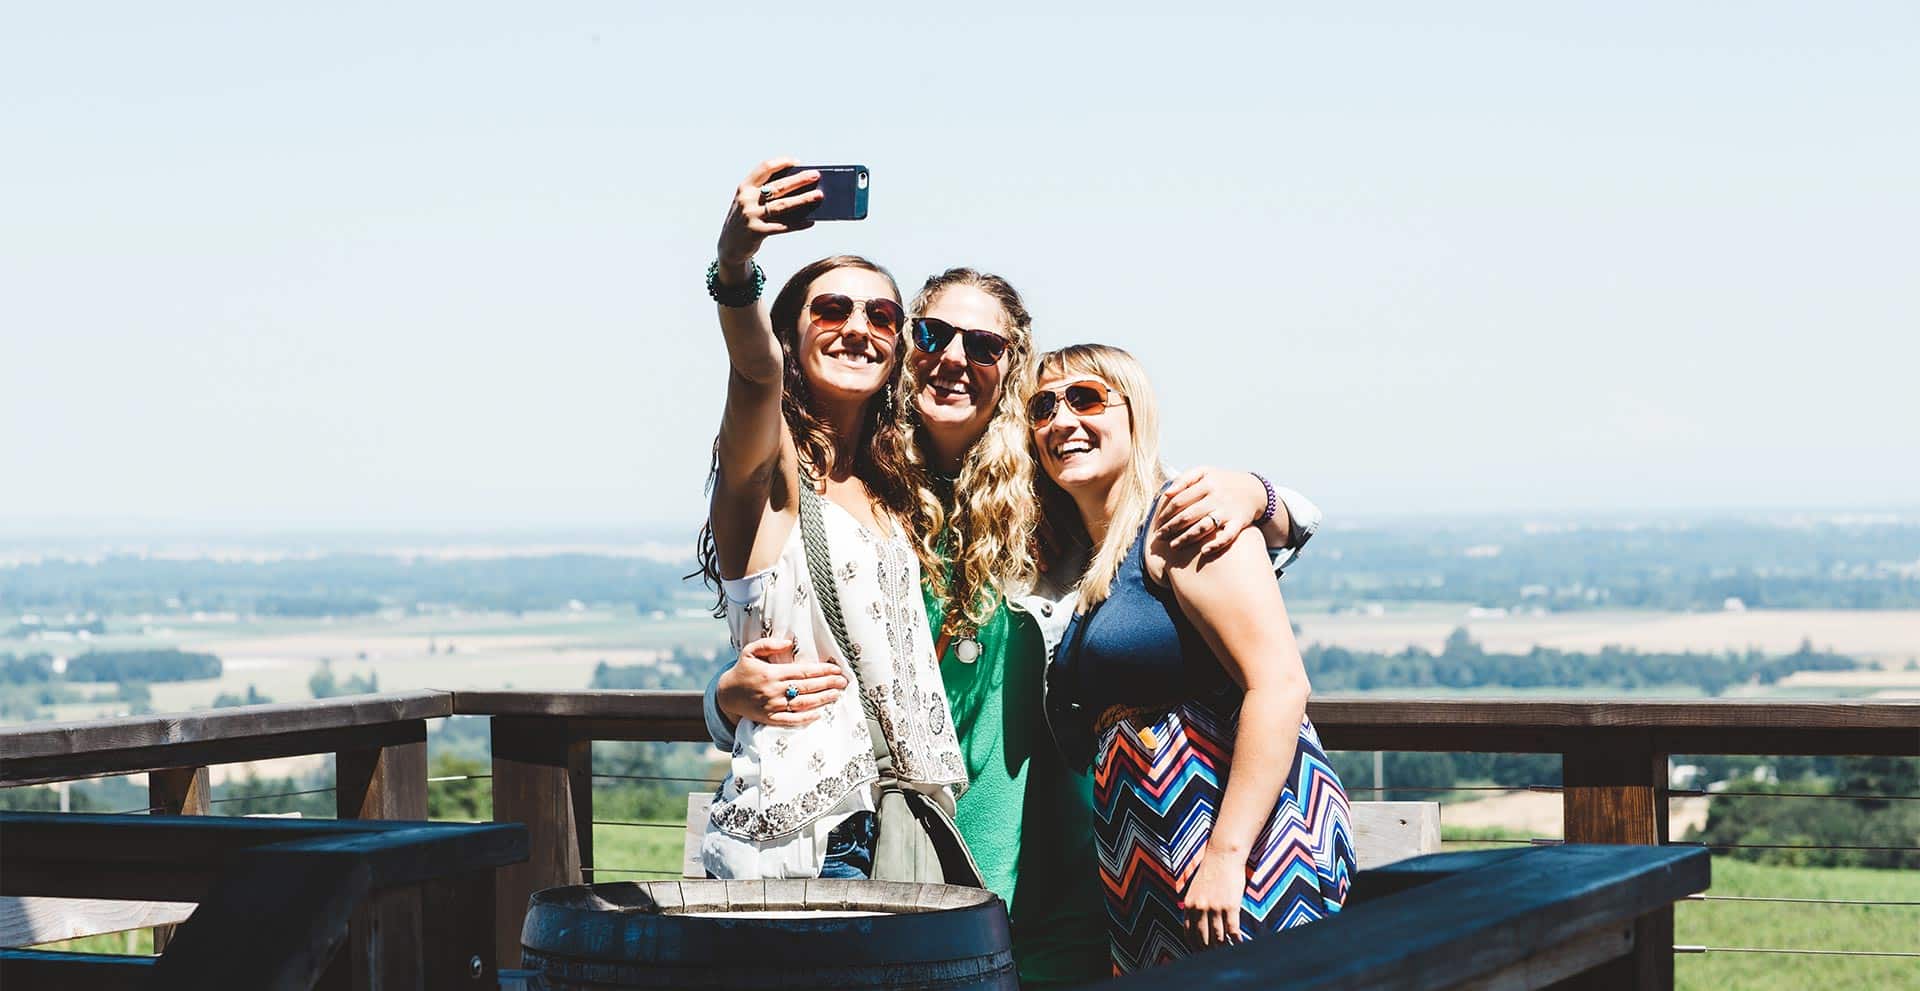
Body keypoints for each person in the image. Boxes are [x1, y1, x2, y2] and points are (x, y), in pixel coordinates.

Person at [708, 258, 1323, 984]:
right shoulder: (874, 502)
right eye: (933, 333)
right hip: (913, 867)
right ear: (908, 351)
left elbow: (1164, 541)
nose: (956, 359)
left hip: (1069, 879)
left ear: (1009, 369)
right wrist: (723, 699)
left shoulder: (1047, 502)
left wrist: (1264, 494)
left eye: (986, 347)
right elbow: (797, 634)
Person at [1031, 343, 1355, 975]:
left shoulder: (1184, 519)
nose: (1061, 420)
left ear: (1136, 413)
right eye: (1042, 407)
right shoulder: (1092, 556)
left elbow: (1281, 685)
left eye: (1087, 398)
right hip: (1148, 848)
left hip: (1231, 845)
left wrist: (1228, 855)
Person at [694, 159, 965, 880]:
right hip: (804, 841)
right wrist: (736, 262)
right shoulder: (770, 477)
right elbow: (755, 375)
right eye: (831, 309)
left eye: (881, 316)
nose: (858, 328)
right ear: (791, 332)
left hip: (899, 827)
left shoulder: (895, 490)